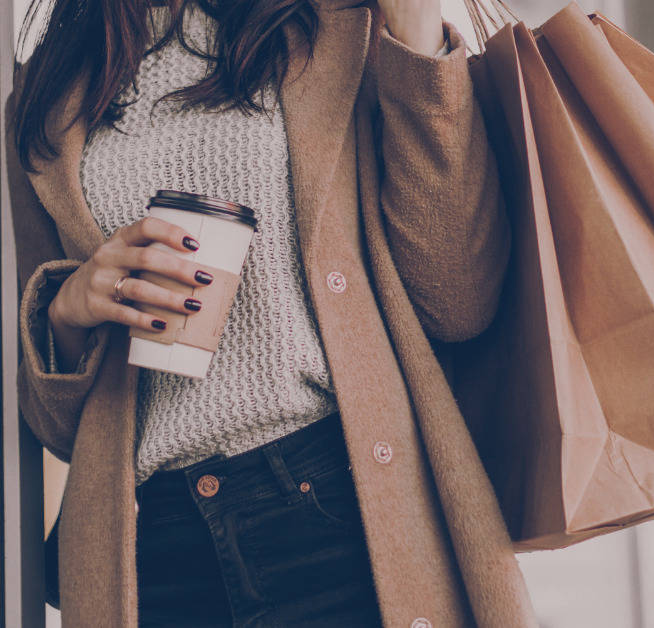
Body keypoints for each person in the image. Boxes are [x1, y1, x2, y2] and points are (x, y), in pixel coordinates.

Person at [7, 0, 538, 625]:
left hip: (342, 509)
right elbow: (58, 430)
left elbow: (459, 303)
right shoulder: (47, 94)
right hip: (152, 547)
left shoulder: (335, 26)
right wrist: (69, 313)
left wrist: (417, 34)